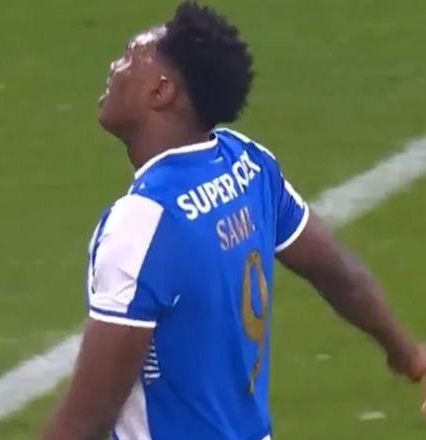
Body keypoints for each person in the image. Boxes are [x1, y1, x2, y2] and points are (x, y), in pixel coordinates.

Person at [42, 2, 426, 439]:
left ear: (161, 92)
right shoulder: (247, 164)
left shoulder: (143, 223)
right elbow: (340, 274)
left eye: (131, 57)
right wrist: (410, 355)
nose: (115, 66)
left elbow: (87, 420)